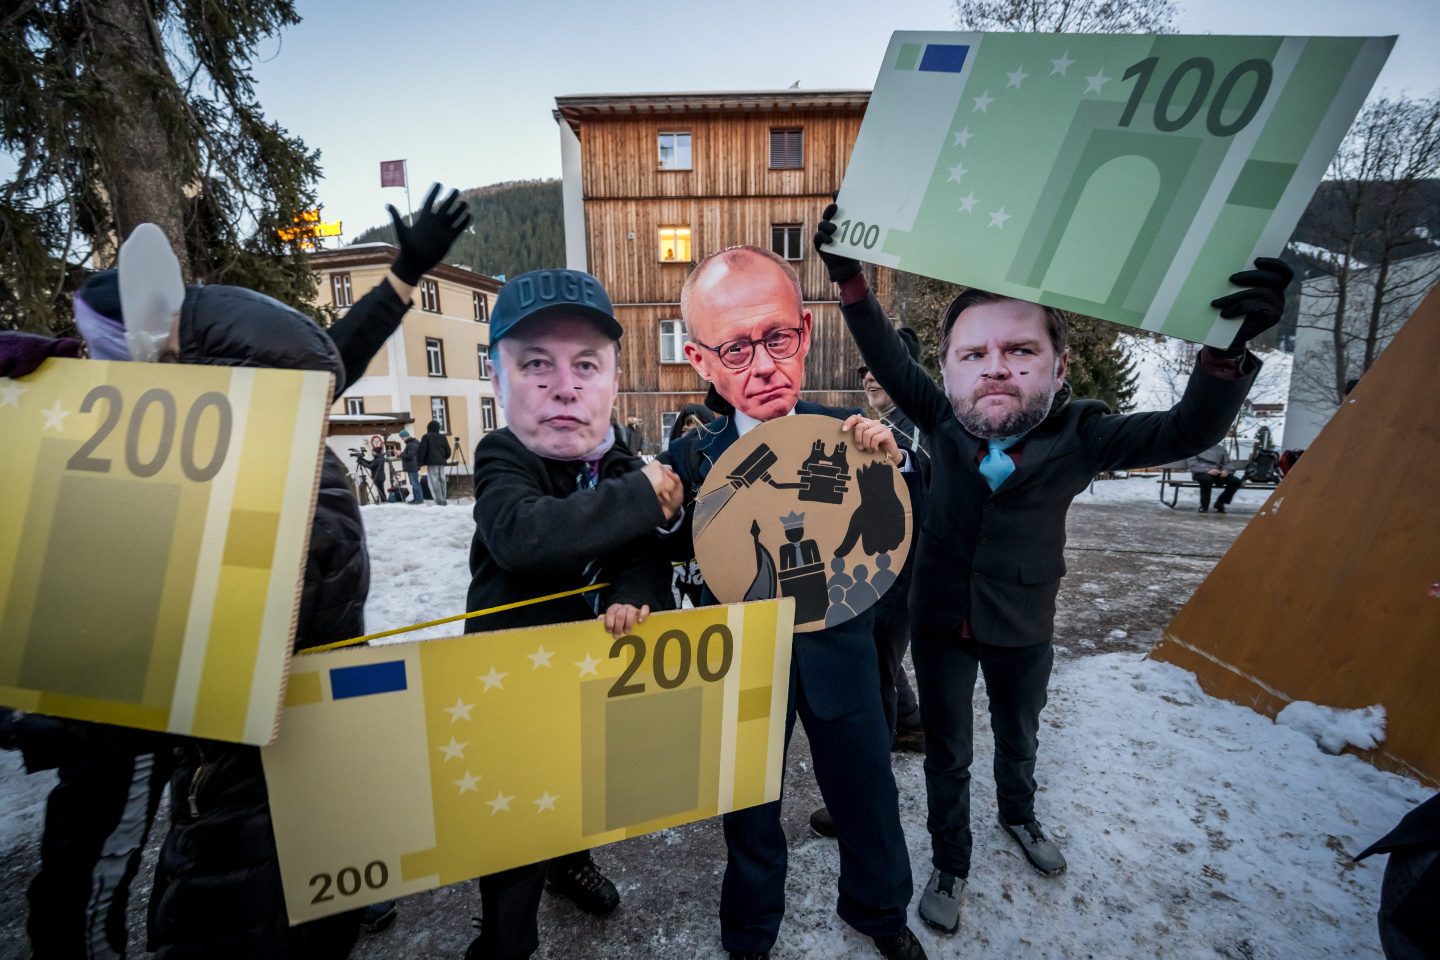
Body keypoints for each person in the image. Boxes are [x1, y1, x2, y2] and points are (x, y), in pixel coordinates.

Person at [0, 184, 471, 959]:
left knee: (202, 858)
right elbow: (324, 355)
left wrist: (399, 278)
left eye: (97, 352)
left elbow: (326, 357)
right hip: (140, 713)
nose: (85, 362)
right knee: (101, 862)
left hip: (234, 730)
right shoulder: (222, 412)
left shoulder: (247, 427)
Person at [815, 205, 1291, 936]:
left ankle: (1020, 816)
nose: (995, 367)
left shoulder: (1083, 434)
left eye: (1019, 350)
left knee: (1018, 735)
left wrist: (1225, 354)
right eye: (972, 354)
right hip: (942, 620)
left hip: (1022, 624)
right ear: (947, 368)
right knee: (947, 752)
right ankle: (952, 859)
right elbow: (886, 357)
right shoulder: (941, 418)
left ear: (1058, 366)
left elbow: (1187, 428)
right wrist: (849, 279)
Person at [659, 246, 927, 960]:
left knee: (867, 794)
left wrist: (900, 463)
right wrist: (651, 509)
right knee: (749, 811)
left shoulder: (851, 434)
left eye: (777, 338)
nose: (765, 366)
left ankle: (881, 912)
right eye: (736, 349)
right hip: (744, 669)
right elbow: (652, 555)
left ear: (805, 333)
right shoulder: (691, 461)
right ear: (700, 360)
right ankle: (748, 936)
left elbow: (915, 512)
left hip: (842, 655)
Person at [463, 267, 683, 960]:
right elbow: (526, 537)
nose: (565, 386)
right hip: (510, 684)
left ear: (613, 383)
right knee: (512, 825)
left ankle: (570, 860)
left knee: (577, 783)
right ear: (499, 382)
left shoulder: (621, 466)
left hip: (589, 677)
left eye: (585, 365)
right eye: (536, 366)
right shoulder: (504, 458)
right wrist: (644, 498)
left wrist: (635, 592)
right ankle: (505, 940)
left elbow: (645, 557)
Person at [1186, 442, 1244, 513]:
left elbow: (1227, 463)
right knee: (1207, 479)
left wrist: (1226, 470)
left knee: (1236, 482)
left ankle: (1220, 502)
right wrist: (1208, 470)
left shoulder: (1220, 448)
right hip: (1201, 472)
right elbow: (1192, 464)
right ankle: (1204, 505)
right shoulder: (1195, 447)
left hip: (1218, 472)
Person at [418, 419, 452, 505]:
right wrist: (443, 458)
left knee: (434, 481)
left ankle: (439, 500)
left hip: (432, 462)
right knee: (442, 480)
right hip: (441, 462)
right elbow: (448, 451)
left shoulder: (426, 437)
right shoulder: (442, 437)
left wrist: (420, 462)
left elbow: (422, 450)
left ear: (428, 427)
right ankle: (443, 498)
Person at [400, 430, 424, 503]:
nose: (401, 439)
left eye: (402, 437)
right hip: (413, 466)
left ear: (405, 436)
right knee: (414, 483)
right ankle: (416, 499)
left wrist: (400, 454)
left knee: (415, 483)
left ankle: (419, 500)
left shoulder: (411, 444)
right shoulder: (412, 443)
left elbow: (410, 456)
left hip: (412, 466)